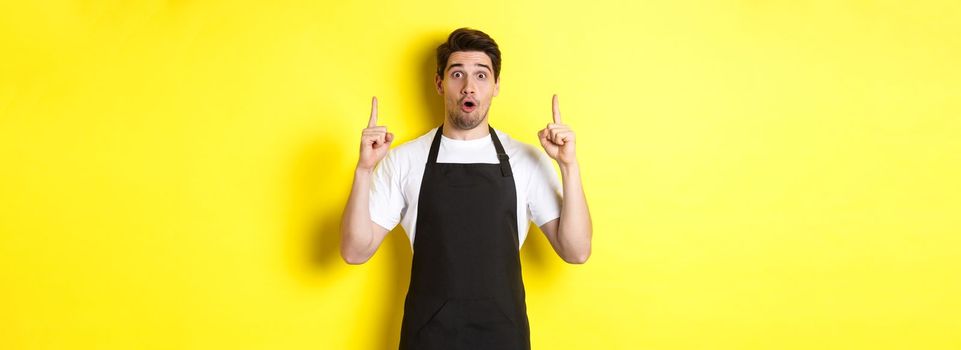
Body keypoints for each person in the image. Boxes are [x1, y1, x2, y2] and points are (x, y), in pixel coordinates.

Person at [340, 27, 592, 350]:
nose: (468, 87)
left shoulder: (525, 160)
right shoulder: (405, 160)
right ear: (439, 83)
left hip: (504, 338)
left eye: (482, 76)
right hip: (427, 339)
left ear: (496, 86)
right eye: (457, 73)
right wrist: (364, 170)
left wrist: (569, 166)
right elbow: (354, 251)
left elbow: (577, 250)